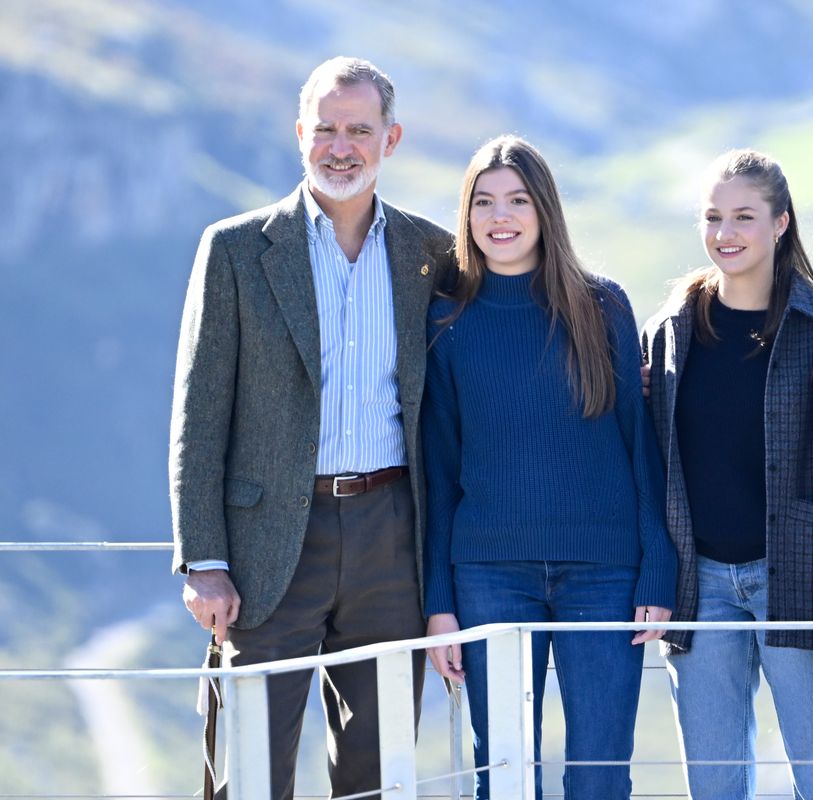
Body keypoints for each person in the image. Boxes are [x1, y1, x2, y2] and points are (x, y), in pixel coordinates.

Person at [169, 57, 454, 799]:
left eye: (359, 130)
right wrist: (202, 557)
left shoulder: (432, 255)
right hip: (267, 550)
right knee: (254, 770)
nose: (341, 146)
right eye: (326, 128)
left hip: (394, 540)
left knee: (378, 772)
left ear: (391, 140)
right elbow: (199, 416)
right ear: (300, 134)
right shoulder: (235, 250)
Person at [421, 135, 677, 800]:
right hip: (489, 578)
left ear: (545, 211)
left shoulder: (603, 307)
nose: (499, 217)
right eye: (484, 202)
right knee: (502, 773)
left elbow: (639, 446)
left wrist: (657, 564)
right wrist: (440, 604)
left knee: (599, 775)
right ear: (466, 214)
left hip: (606, 574)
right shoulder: (448, 322)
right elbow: (440, 471)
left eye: (517, 200)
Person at [641, 149, 813, 800]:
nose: (725, 233)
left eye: (744, 216)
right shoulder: (669, 331)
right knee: (714, 787)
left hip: (799, 578)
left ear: (780, 223)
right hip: (700, 586)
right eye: (713, 217)